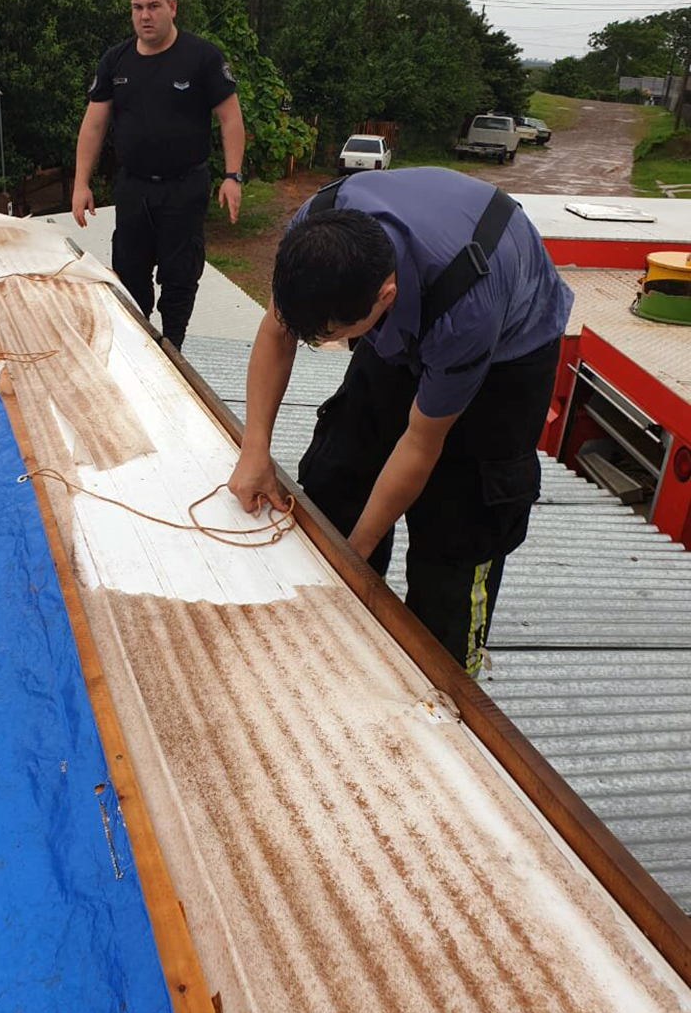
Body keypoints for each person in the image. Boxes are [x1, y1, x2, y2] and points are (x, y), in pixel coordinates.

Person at [228, 166, 574, 677]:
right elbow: (277, 332)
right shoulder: (316, 232)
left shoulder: (466, 309)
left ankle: (448, 675)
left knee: (456, 535)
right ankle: (341, 636)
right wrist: (254, 450)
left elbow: (420, 442)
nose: (320, 343)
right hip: (416, 308)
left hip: (506, 355)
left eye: (330, 336)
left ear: (384, 298)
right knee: (337, 478)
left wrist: (354, 557)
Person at [72, 0, 246, 350]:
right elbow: (94, 124)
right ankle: (140, 345)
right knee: (129, 274)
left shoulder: (202, 57)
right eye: (137, 8)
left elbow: (230, 119)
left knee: (180, 276)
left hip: (184, 187)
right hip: (133, 188)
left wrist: (232, 176)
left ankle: (174, 347)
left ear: (172, 7)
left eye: (153, 6)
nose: (145, 15)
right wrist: (81, 182)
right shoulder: (115, 61)